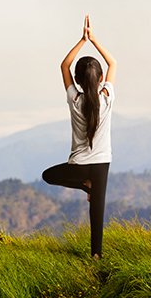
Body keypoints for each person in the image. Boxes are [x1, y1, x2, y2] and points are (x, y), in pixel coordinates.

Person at [42, 14, 117, 259]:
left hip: (79, 165)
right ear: (101, 79)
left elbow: (64, 65)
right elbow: (113, 63)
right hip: (102, 164)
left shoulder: (74, 99)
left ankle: (84, 185)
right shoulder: (107, 98)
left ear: (77, 80)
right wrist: (94, 40)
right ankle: (97, 255)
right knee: (97, 210)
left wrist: (82, 40)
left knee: (48, 175)